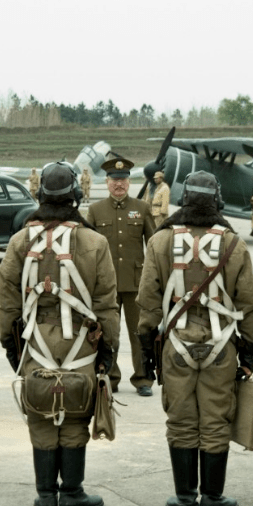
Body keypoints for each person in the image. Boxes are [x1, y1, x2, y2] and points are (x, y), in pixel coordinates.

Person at [137, 170, 253, 506]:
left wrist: (146, 349)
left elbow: (148, 302)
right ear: (216, 200)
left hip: (175, 344)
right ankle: (212, 496)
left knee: (180, 421)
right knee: (215, 420)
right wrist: (250, 350)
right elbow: (249, 302)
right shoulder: (234, 244)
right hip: (221, 346)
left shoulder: (161, 241)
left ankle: (183, 497)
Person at [0, 161, 119, 506]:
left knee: (40, 415)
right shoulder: (95, 242)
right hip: (81, 343)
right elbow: (107, 304)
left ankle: (45, 496)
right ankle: (72, 493)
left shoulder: (20, 241)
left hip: (34, 343)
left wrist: (11, 346)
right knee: (76, 415)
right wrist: (107, 350)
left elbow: (8, 302)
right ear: (76, 197)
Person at [86, 158, 156, 395]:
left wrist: (155, 280)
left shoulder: (142, 208)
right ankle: (110, 377)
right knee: (108, 334)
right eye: (115, 180)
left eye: (124, 180)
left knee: (140, 333)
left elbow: (154, 246)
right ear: (106, 182)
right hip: (106, 285)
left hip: (136, 284)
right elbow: (87, 249)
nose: (119, 184)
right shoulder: (95, 211)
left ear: (129, 182)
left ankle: (143, 379)